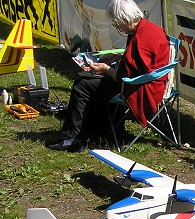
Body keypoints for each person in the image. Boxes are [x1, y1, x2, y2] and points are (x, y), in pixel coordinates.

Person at [49, 0, 170, 152]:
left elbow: (127, 78)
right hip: (152, 83)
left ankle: (72, 137)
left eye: (117, 23)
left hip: (140, 90)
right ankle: (97, 129)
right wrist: (117, 57)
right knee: (90, 81)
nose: (117, 27)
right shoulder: (149, 28)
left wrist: (106, 69)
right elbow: (139, 62)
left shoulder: (140, 40)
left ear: (125, 19)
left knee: (83, 85)